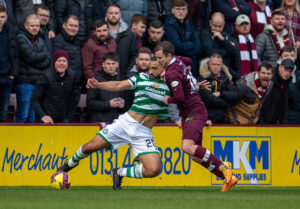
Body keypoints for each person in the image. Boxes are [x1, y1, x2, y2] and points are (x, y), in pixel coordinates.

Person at [57, 57, 171, 190]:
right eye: (149, 68)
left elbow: (187, 90)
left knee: (154, 170)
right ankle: (68, 165)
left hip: (143, 133)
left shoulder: (171, 86)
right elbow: (118, 85)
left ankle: (119, 172)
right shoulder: (141, 78)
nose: (150, 71)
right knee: (90, 146)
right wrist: (98, 84)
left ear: (164, 68)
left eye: (154, 68)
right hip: (125, 124)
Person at [154, 41, 237, 192]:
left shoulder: (171, 73)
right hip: (190, 112)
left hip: (195, 111)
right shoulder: (179, 61)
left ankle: (224, 167)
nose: (158, 61)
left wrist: (167, 100)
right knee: (195, 155)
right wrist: (190, 81)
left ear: (168, 55)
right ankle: (227, 177)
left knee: (186, 147)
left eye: (160, 58)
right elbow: (189, 61)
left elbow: (179, 98)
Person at [15, 14, 51, 123]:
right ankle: (17, 139)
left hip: (36, 82)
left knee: (32, 116)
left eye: (37, 26)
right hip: (24, 82)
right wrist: (42, 56)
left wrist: (39, 58)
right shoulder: (20, 37)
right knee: (23, 114)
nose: (35, 28)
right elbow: (30, 57)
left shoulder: (39, 39)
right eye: (32, 25)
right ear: (26, 25)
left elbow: (48, 59)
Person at [31, 50, 80, 123]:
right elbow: (34, 99)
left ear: (68, 63)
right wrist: (43, 116)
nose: (61, 63)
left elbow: (74, 99)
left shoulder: (73, 76)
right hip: (45, 121)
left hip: (63, 120)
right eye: (59, 60)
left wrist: (68, 117)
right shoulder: (45, 76)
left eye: (64, 61)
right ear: (54, 62)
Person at [199, 53, 243, 124]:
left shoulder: (226, 79)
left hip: (224, 119)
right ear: (209, 65)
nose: (216, 67)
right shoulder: (203, 79)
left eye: (218, 64)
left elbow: (235, 96)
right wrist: (228, 102)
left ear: (222, 65)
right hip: (208, 119)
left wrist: (221, 93)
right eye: (213, 64)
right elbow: (209, 100)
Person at [164, 0, 201, 77]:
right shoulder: (169, 23)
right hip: (176, 61)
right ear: (173, 10)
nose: (181, 12)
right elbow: (177, 47)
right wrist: (192, 44)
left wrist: (187, 47)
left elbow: (199, 47)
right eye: (178, 9)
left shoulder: (189, 23)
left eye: (183, 9)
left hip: (190, 61)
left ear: (187, 11)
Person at [200, 12, 240, 81]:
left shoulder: (226, 35)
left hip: (228, 71)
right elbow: (210, 52)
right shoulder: (205, 34)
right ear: (210, 22)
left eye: (220, 26)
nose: (217, 29)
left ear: (224, 24)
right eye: (215, 26)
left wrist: (223, 39)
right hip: (210, 73)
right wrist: (228, 50)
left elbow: (236, 52)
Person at [86, 52, 124, 123]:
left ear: (117, 65)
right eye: (108, 64)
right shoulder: (95, 81)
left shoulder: (120, 82)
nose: (111, 66)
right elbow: (90, 104)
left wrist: (122, 105)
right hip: (99, 122)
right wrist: (108, 104)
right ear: (103, 64)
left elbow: (125, 102)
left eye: (113, 64)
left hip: (116, 122)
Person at [259, 58, 294, 124]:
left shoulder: (287, 83)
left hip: (277, 124)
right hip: (263, 123)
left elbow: (284, 106)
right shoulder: (270, 80)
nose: (287, 73)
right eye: (286, 70)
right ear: (280, 67)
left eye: (290, 72)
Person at [0, 5, 18, 122]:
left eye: (2, 17)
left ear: (6, 17)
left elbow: (16, 54)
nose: (0, 19)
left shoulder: (11, 31)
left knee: (3, 110)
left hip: (7, 76)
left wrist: (13, 74)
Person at [52, 15, 82, 85]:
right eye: (71, 25)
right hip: (64, 83)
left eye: (76, 26)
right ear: (64, 25)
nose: (73, 28)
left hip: (77, 82)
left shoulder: (77, 41)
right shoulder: (58, 41)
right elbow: (57, 65)